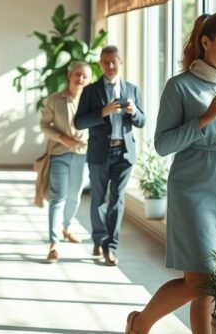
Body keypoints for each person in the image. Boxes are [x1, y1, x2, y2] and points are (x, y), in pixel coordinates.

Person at [125, 13, 216, 334]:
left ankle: (141, 323)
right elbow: (163, 144)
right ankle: (142, 322)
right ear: (206, 42)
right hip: (193, 187)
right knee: (201, 279)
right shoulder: (180, 86)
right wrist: (206, 117)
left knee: (213, 281)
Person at [74, 45, 145, 266]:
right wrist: (102, 113)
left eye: (114, 61)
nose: (110, 66)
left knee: (117, 200)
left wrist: (134, 113)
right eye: (106, 62)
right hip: (99, 152)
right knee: (98, 199)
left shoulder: (132, 90)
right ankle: (98, 238)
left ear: (121, 62)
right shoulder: (90, 91)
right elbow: (79, 122)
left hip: (124, 153)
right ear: (100, 64)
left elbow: (143, 121)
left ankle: (110, 247)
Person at [40, 61, 92, 263]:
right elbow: (44, 125)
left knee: (74, 197)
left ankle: (66, 227)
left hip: (83, 154)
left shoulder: (92, 102)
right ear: (69, 76)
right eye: (77, 74)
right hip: (59, 153)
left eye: (85, 76)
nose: (80, 78)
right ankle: (54, 243)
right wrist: (63, 138)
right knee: (58, 197)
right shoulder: (54, 100)